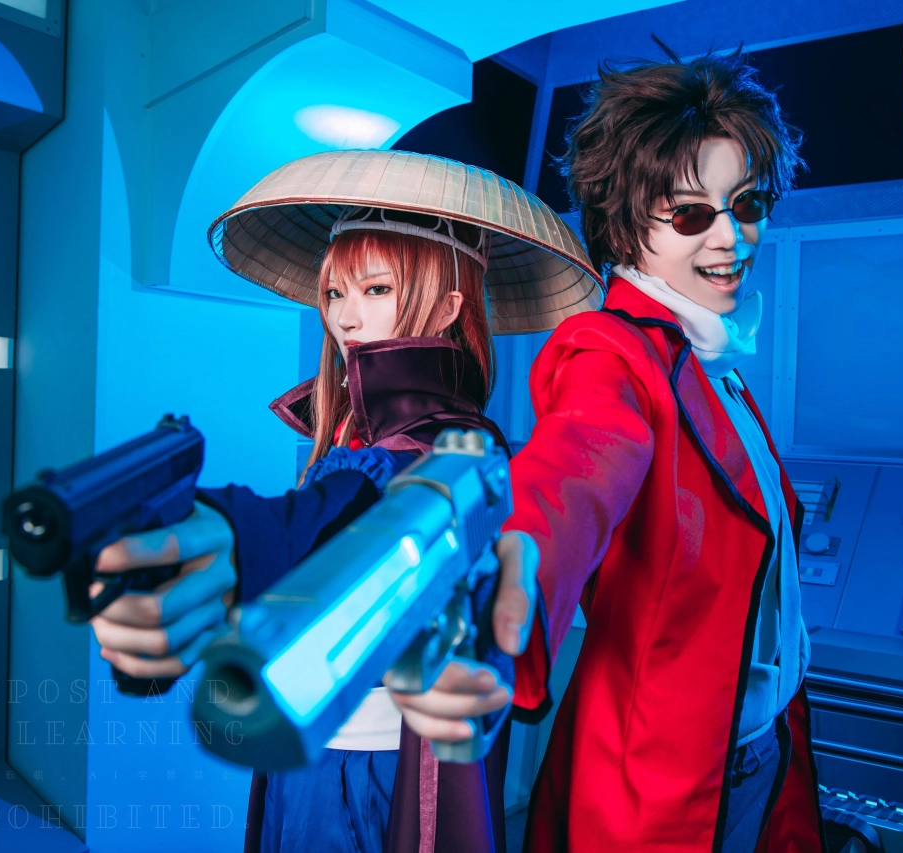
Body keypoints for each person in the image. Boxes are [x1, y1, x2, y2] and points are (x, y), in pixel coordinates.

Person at [85, 150, 602, 853]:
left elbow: (346, 511)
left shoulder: (441, 443)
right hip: (323, 754)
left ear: (448, 305)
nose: (346, 317)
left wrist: (233, 538)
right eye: (335, 292)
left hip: (368, 775)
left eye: (377, 288)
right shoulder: (360, 428)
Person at [483, 48, 829, 852]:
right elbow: (575, 467)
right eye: (691, 215)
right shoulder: (610, 352)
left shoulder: (714, 363)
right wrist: (506, 583)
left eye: (747, 204)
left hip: (763, 748)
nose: (732, 238)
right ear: (624, 224)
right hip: (662, 779)